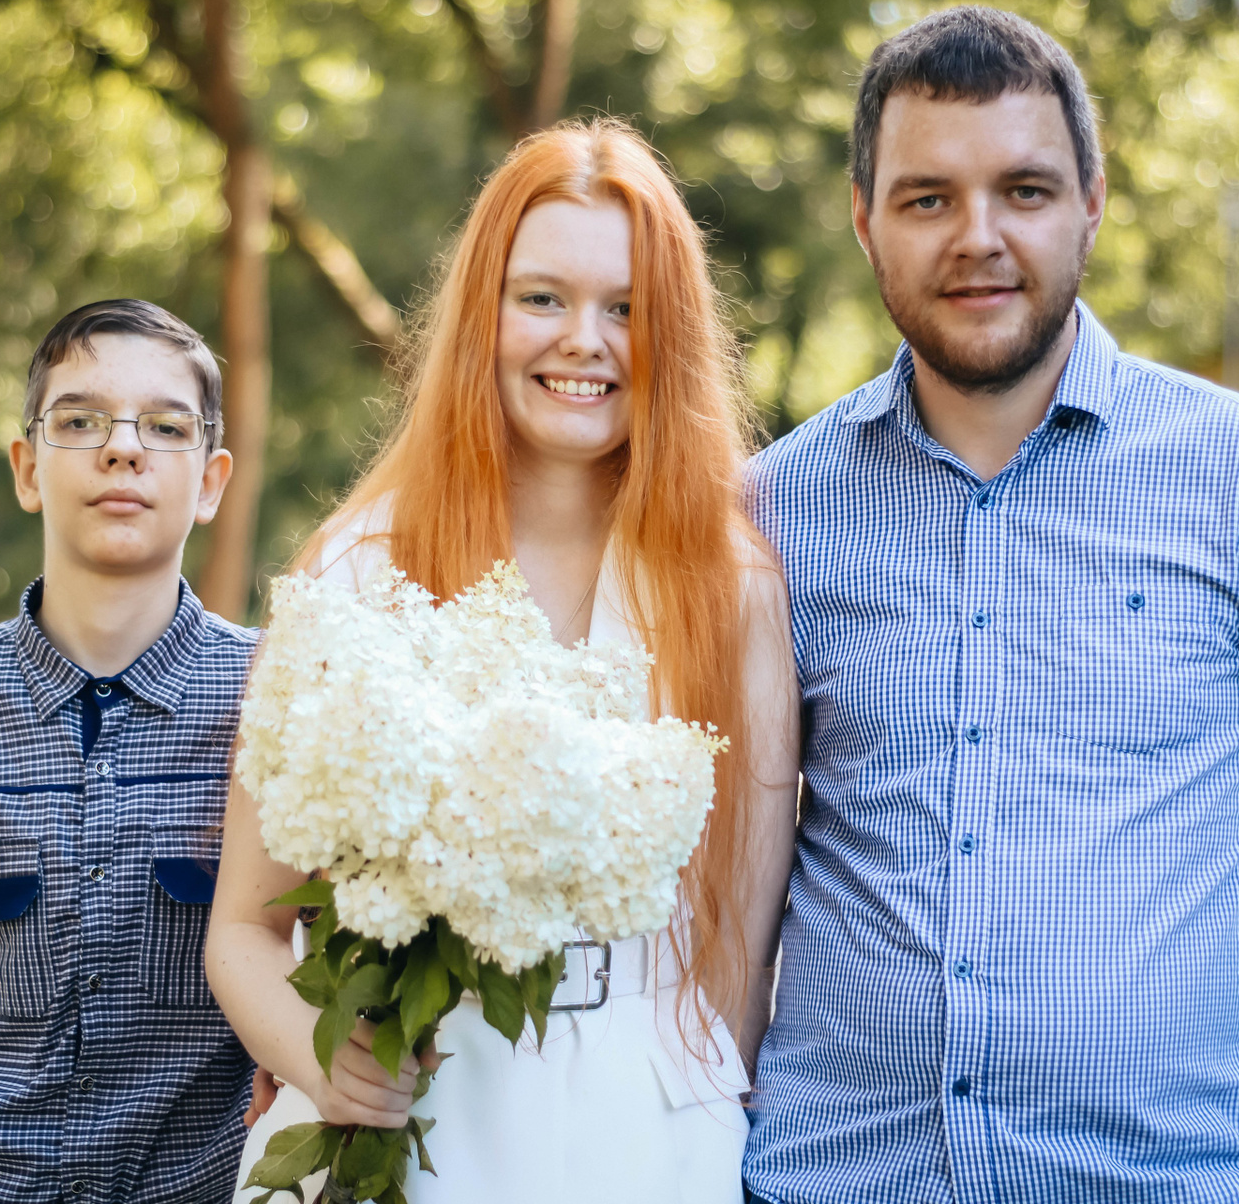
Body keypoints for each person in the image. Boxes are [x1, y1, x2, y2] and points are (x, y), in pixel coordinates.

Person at [742, 7, 1239, 1204]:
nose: (978, 236)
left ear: (1091, 200)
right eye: (928, 198)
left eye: (1024, 190)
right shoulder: (768, 515)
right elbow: (708, 891)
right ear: (865, 219)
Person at [210, 118, 802, 1203]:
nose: (584, 340)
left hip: (649, 1133)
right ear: (483, 311)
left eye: (626, 308)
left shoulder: (735, 590)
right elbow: (245, 927)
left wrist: (691, 1109)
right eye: (542, 298)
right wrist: (324, 1061)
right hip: (410, 1104)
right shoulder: (358, 567)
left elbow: (740, 950)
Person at [0, 300, 259, 1203]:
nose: (123, 449)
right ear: (29, 469)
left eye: (165, 427)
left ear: (211, 481)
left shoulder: (278, 702)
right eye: (80, 421)